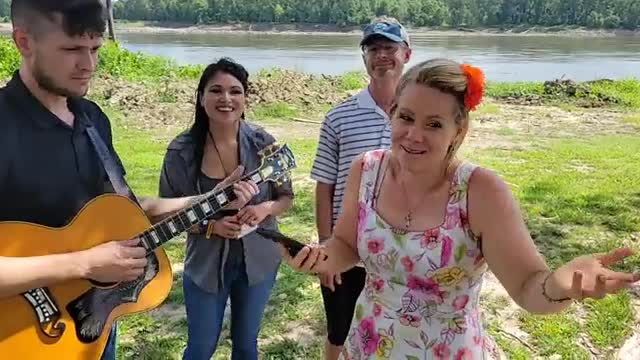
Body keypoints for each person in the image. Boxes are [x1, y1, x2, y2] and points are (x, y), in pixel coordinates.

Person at [283, 58, 639, 359]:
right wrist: (320, 257)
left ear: (459, 131)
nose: (414, 135)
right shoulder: (367, 169)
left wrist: (561, 283)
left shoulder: (480, 192)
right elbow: (345, 245)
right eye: (405, 117)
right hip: (369, 344)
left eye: (434, 124)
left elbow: (530, 288)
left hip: (449, 350)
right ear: (391, 114)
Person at [0, 1, 257, 359]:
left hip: (95, 328)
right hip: (22, 338)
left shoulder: (92, 119)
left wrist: (207, 200)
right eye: (72, 49)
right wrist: (85, 264)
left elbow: (129, 211)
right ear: (24, 41)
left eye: (95, 49)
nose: (88, 65)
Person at [158, 57, 295, 360]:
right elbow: (166, 214)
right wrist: (211, 226)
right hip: (206, 265)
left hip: (259, 260)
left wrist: (264, 209)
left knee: (246, 346)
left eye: (235, 91)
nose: (226, 99)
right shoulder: (181, 152)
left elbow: (286, 197)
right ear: (201, 97)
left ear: (245, 98)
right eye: (216, 90)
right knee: (201, 348)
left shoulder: (264, 144)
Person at [309, 16, 412, 360]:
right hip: (347, 246)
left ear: (407, 54)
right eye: (373, 48)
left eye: (389, 48)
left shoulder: (420, 118)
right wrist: (326, 249)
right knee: (339, 331)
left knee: (397, 331)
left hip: (402, 249)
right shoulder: (339, 117)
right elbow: (324, 186)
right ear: (364, 57)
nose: (382, 55)